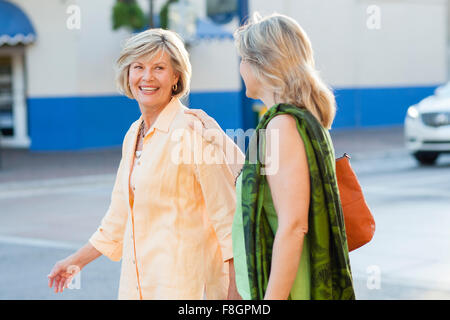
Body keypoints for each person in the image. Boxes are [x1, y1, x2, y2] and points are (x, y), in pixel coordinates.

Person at [47, 28, 240, 300]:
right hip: (136, 288)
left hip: (187, 290)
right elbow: (118, 218)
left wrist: (234, 296)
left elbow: (229, 222)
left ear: (176, 77)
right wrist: (75, 261)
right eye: (138, 67)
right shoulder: (133, 133)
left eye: (159, 67)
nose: (147, 77)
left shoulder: (195, 132)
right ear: (128, 74)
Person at [186, 12, 355, 300]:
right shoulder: (296, 120)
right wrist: (220, 139)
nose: (240, 68)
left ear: (262, 65)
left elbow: (293, 225)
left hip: (292, 287)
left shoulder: (283, 125)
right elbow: (263, 181)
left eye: (242, 59)